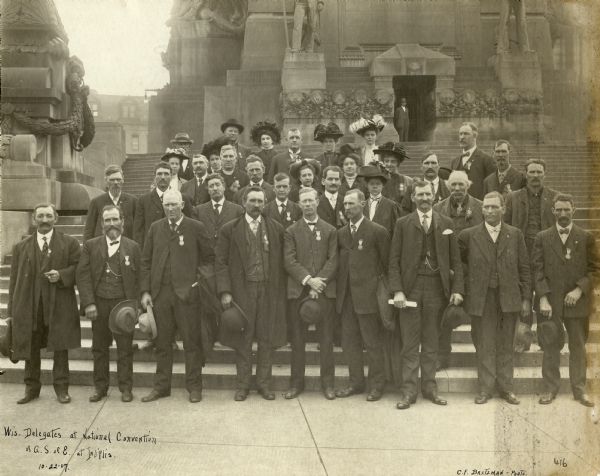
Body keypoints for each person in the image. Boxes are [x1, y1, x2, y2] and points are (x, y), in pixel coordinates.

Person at [390, 181, 464, 410]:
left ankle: (430, 388)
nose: (424, 198)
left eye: (427, 194)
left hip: (435, 289)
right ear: (413, 198)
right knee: (410, 343)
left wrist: (457, 290)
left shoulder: (446, 223)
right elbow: (393, 261)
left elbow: (456, 262)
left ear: (434, 196)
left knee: (432, 341)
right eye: (419, 194)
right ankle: (409, 391)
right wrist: (398, 290)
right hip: (410, 289)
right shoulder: (403, 224)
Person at [139, 190, 214, 403]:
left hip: (187, 295)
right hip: (160, 296)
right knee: (162, 343)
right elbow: (145, 261)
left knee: (192, 343)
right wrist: (145, 292)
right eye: (166, 205)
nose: (170, 209)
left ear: (182, 204)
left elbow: (209, 259)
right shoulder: (155, 228)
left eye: (174, 204)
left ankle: (194, 387)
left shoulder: (195, 227)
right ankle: (161, 387)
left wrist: (198, 282)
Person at [458, 191, 531, 405]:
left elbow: (524, 268)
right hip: (481, 299)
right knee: (484, 343)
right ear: (481, 210)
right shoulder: (469, 235)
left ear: (503, 209)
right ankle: (485, 389)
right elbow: (460, 267)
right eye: (486, 207)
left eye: (494, 207)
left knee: (506, 344)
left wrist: (526, 298)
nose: (489, 211)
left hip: (508, 298)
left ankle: (506, 388)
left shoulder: (515, 234)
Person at [215, 187, 287, 401]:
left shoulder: (276, 228)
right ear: (244, 202)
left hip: (268, 290)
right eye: (253, 200)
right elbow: (220, 262)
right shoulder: (230, 229)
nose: (257, 205)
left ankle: (264, 384)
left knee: (266, 338)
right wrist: (225, 291)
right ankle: (243, 385)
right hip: (241, 291)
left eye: (260, 201)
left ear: (265, 203)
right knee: (243, 339)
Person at [8, 203, 81, 404]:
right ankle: (31, 389)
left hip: (58, 305)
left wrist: (62, 275)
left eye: (49, 216)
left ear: (56, 218)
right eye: (40, 216)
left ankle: (61, 389)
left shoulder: (69, 244)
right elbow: (14, 281)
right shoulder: (21, 247)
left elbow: (79, 270)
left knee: (60, 347)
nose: (45, 220)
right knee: (30, 347)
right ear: (34, 219)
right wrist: (11, 311)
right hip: (30, 306)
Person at [533, 194, 598, 407]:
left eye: (566, 210)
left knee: (578, 346)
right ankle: (550, 389)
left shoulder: (586, 236)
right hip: (550, 302)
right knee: (550, 343)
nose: (562, 214)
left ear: (574, 210)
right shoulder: (542, 237)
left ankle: (579, 390)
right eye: (558, 210)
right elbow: (537, 270)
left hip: (577, 302)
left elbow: (595, 269)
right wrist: (542, 297)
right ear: (553, 211)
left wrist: (580, 290)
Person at [76, 205, 141, 403]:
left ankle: (126, 388)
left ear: (122, 221)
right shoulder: (90, 245)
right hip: (99, 304)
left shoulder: (133, 246)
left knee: (125, 348)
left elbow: (139, 278)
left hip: (124, 306)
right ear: (102, 223)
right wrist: (88, 303)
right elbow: (83, 275)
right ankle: (100, 388)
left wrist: (136, 306)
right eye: (107, 220)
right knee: (99, 348)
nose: (112, 224)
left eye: (115, 219)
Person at [335, 189, 390, 402]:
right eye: (345, 204)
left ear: (363, 204)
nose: (348, 208)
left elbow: (386, 265)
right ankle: (355, 383)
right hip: (347, 299)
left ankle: (377, 385)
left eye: (352, 204)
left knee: (373, 343)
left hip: (369, 298)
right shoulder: (340, 233)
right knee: (350, 343)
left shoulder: (377, 231)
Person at [283, 187, 337, 400]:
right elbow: (289, 260)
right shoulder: (291, 231)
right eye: (303, 201)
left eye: (310, 201)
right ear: (299, 204)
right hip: (298, 292)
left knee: (326, 340)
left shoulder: (331, 230)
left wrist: (318, 284)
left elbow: (334, 260)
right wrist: (308, 281)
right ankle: (296, 383)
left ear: (317, 202)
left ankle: (328, 384)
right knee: (297, 341)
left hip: (324, 292)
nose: (307, 204)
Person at [433, 170, 484, 369]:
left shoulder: (480, 207)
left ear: (468, 185)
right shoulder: (438, 208)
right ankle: (442, 357)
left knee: (478, 317)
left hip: (475, 271)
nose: (457, 189)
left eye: (460, 185)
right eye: (453, 185)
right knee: (442, 317)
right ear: (448, 187)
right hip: (448, 272)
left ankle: (482, 357)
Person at [504, 158, 559, 328]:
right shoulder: (513, 197)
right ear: (526, 175)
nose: (535, 175)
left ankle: (545, 335)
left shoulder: (554, 197)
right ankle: (523, 337)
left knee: (546, 291)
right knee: (523, 292)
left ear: (544, 174)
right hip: (522, 248)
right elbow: (505, 225)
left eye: (539, 172)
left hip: (546, 250)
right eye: (532, 172)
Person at [133, 162, 194, 249]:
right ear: (154, 176)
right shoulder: (143, 200)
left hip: (178, 248)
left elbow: (190, 225)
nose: (162, 177)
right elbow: (138, 231)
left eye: (166, 174)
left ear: (171, 176)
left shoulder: (183, 197)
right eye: (159, 174)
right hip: (154, 249)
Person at [84, 164, 137, 241]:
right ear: (106, 181)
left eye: (118, 179)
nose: (116, 182)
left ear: (123, 180)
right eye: (112, 180)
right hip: (102, 248)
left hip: (126, 248)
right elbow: (88, 231)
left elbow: (138, 229)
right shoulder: (96, 202)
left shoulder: (133, 201)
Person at [193, 174, 244, 251]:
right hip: (207, 258)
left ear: (224, 187)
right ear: (208, 190)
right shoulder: (198, 210)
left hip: (229, 256)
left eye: (217, 185)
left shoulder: (237, 210)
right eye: (211, 186)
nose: (215, 188)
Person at [450, 122, 495, 200]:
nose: (462, 137)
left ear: (475, 136)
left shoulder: (486, 159)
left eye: (466, 134)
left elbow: (491, 188)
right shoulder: (455, 161)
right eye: (460, 134)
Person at [359, 164, 401, 238]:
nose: (375, 186)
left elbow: (396, 230)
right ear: (367, 185)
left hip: (385, 243)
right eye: (372, 184)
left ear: (383, 186)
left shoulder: (391, 205)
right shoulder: (362, 205)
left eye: (378, 184)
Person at [373, 142, 413, 208]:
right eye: (386, 161)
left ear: (398, 163)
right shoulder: (378, 180)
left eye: (393, 161)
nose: (389, 164)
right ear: (383, 161)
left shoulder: (408, 181)